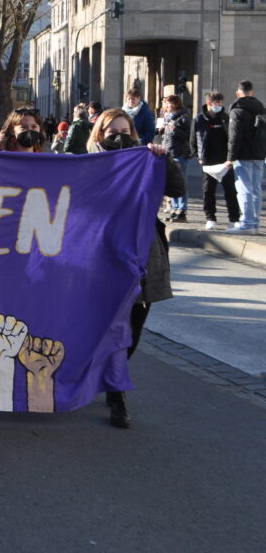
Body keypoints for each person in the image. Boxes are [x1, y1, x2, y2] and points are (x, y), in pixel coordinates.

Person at [87, 108, 183, 428]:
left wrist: (163, 158)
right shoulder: (84, 164)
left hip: (143, 256)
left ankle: (113, 381)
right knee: (104, 327)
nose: (119, 137)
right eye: (112, 131)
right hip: (101, 259)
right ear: (99, 134)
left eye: (125, 132)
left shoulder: (146, 160)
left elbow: (178, 189)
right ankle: (115, 388)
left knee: (133, 329)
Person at [224, 80, 266, 233]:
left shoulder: (237, 110)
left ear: (238, 93)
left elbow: (234, 136)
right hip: (259, 154)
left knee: (244, 189)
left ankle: (247, 223)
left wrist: (230, 157)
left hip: (243, 155)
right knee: (256, 189)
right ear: (252, 92)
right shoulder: (261, 109)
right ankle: (255, 223)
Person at [194, 92, 240, 231]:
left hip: (225, 161)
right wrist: (198, 156)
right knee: (208, 191)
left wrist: (231, 158)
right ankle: (210, 218)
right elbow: (194, 138)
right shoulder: (199, 119)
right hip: (208, 161)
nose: (219, 106)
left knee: (230, 191)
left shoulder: (225, 118)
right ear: (209, 104)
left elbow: (231, 137)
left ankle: (234, 219)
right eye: (217, 103)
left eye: (220, 103)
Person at [160, 95, 192, 222]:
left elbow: (189, 135)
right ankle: (174, 208)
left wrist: (175, 130)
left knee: (180, 181)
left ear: (177, 104)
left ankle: (182, 209)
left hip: (179, 153)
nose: (168, 106)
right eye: (167, 104)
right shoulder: (167, 117)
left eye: (170, 104)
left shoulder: (184, 118)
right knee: (171, 181)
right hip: (168, 152)